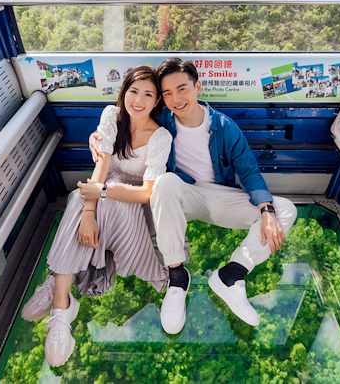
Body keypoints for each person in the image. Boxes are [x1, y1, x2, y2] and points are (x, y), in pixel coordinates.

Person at [90, 58, 296, 334]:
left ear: (197, 87)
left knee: (286, 210)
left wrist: (266, 211)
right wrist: (97, 136)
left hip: (220, 197)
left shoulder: (224, 126)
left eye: (182, 89)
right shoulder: (162, 120)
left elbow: (249, 171)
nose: (176, 99)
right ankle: (177, 278)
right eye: (167, 93)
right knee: (164, 183)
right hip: (182, 196)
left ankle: (231, 275)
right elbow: (128, 118)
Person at [21, 66, 172, 367]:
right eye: (133, 91)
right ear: (123, 92)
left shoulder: (160, 137)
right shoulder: (111, 116)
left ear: (157, 101)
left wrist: (100, 192)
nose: (138, 100)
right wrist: (89, 210)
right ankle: (61, 307)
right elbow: (101, 166)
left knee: (92, 196)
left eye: (148, 95)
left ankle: (59, 279)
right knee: (79, 198)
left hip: (134, 203)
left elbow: (146, 193)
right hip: (103, 191)